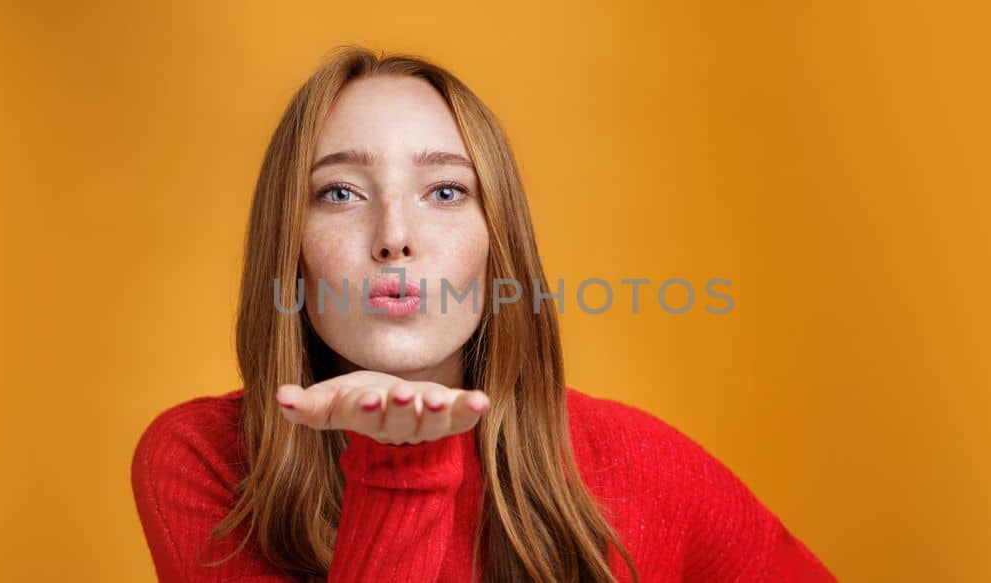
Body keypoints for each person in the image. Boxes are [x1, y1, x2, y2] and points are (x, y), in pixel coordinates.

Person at [130, 45, 836, 582]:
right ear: (288, 248)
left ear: (499, 248)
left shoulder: (637, 463)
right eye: (340, 193)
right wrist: (400, 466)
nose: (394, 235)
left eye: (443, 191)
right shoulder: (204, 462)